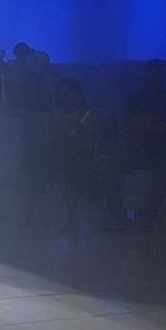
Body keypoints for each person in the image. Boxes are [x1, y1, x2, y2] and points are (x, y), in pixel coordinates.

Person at [105, 59, 166, 231]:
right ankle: (119, 215)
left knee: (164, 169)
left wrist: (148, 123)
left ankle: (149, 213)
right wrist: (156, 124)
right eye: (151, 74)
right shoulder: (135, 99)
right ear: (145, 76)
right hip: (137, 151)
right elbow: (130, 124)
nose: (155, 78)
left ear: (164, 77)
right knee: (108, 167)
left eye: (159, 75)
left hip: (165, 151)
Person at [49, 79, 102, 232]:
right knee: (57, 166)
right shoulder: (56, 115)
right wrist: (56, 126)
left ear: (78, 94)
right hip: (62, 158)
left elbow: (88, 145)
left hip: (85, 159)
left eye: (68, 93)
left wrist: (71, 129)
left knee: (68, 168)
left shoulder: (90, 115)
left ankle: (82, 218)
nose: (65, 98)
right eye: (61, 95)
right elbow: (49, 141)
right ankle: (72, 217)